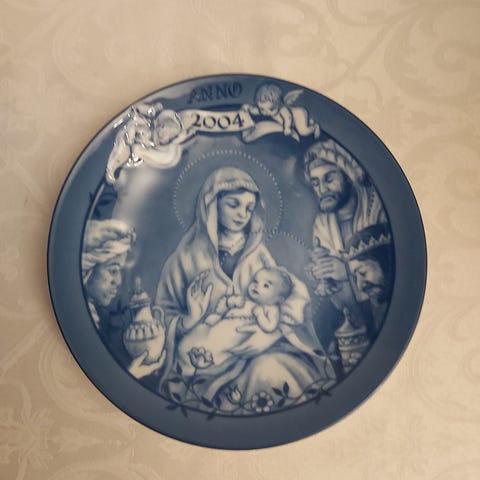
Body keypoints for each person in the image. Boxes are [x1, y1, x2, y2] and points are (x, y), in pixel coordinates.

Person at [155, 167, 335, 409]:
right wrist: (189, 320)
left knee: (270, 371)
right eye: (234, 205)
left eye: (249, 208)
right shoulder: (184, 260)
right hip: (206, 362)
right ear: (211, 205)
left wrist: (265, 335)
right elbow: (162, 318)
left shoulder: (259, 257)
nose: (242, 214)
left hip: (258, 352)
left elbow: (283, 299)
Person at [304, 139, 387, 351]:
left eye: (329, 178)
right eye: (315, 183)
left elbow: (392, 270)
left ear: (347, 174)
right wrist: (320, 273)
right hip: (350, 318)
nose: (322, 189)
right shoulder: (322, 223)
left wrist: (346, 272)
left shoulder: (376, 207)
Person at [82, 219, 164, 379]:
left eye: (119, 271)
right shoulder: (79, 320)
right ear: (88, 268)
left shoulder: (91, 316)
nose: (118, 281)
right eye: (113, 270)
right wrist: (132, 374)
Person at [344, 224, 394, 337]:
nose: (359, 285)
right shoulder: (379, 312)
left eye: (363, 273)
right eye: (355, 277)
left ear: (386, 262)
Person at [241, 83, 321, 142]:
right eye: (262, 109)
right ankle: (309, 122)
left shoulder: (282, 110)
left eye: (271, 109)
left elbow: (288, 118)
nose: (266, 113)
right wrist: (248, 108)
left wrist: (287, 128)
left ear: (279, 104)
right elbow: (255, 111)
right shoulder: (266, 110)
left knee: (303, 131)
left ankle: (315, 127)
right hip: (290, 121)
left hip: (298, 115)